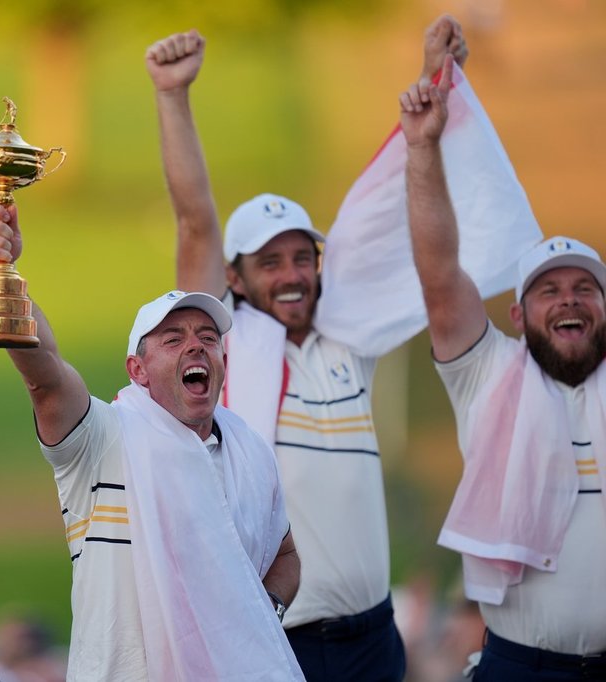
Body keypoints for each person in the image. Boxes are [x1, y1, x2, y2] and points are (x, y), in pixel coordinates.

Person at [144, 17, 469, 682]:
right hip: (274, 641)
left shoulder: (352, 339)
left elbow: (420, 239)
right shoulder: (222, 348)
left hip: (374, 639)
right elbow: (194, 221)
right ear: (233, 278)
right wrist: (172, 97)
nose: (292, 274)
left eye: (302, 256)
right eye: (271, 262)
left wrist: (436, 80)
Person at [0, 201, 303, 681]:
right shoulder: (103, 438)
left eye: (207, 337)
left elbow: (286, 555)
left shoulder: (249, 450)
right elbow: (44, 373)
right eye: (172, 339)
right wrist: (3, 276)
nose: (195, 346)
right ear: (138, 370)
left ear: (221, 360)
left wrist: (259, 613)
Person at [402, 55, 606, 681]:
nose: (568, 298)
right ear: (518, 315)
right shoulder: (488, 374)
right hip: (520, 667)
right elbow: (439, 276)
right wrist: (423, 149)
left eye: (585, 288)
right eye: (549, 291)